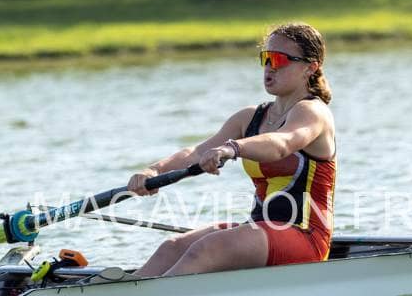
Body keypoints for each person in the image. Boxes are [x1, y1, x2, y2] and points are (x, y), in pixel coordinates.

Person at [127, 23, 336, 277]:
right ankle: (122, 295)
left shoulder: (312, 112)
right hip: (259, 229)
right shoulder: (250, 117)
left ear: (310, 67)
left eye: (279, 59)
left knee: (208, 248)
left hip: (305, 235)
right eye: (266, 58)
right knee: (172, 248)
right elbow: (196, 153)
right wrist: (153, 171)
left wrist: (233, 148)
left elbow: (282, 144)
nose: (270, 67)